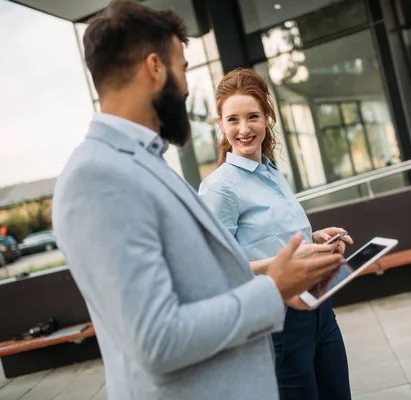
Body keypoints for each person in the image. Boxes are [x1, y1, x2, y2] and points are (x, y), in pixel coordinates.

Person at [51, 2, 344, 400]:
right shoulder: (97, 177)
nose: (187, 87)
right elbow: (157, 340)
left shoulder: (143, 163)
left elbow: (201, 280)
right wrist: (274, 285)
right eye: (184, 68)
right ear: (155, 67)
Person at [198, 68, 353, 400]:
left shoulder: (271, 171)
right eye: (233, 119)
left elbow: (275, 240)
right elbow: (214, 267)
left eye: (253, 116)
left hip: (319, 310)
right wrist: (286, 261)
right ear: (221, 125)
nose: (244, 129)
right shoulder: (218, 188)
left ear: (267, 117)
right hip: (277, 322)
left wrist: (313, 240)